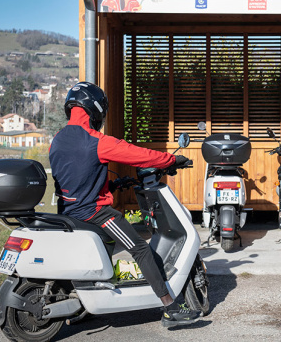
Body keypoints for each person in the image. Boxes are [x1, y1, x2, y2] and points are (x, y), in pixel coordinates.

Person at [49, 81, 201, 327]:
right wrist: (171, 159)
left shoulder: (57, 139)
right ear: (96, 109)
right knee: (140, 248)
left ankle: (87, 301)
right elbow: (138, 154)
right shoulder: (96, 140)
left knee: (105, 244)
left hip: (68, 210)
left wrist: (114, 185)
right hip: (94, 213)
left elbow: (76, 176)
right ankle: (171, 307)